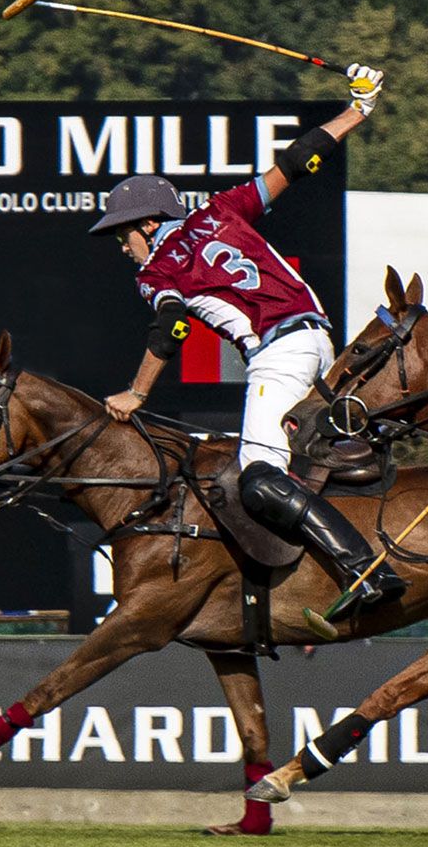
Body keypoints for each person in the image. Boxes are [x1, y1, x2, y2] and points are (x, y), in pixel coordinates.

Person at [91, 65, 405, 619]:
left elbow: (172, 328)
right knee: (298, 470)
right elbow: (294, 163)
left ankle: (363, 571)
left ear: (146, 224)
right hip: (319, 342)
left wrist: (136, 394)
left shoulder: (160, 269)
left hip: (278, 355)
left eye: (123, 234)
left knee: (258, 479)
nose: (122, 248)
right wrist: (358, 109)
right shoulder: (221, 209)